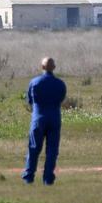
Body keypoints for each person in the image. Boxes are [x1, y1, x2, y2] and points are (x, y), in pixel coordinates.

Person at [23, 57, 67, 185]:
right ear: (54, 67)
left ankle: (28, 177)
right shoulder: (60, 83)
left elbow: (30, 100)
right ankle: (48, 178)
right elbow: (61, 98)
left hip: (38, 117)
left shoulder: (34, 82)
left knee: (34, 147)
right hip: (54, 117)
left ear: (42, 67)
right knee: (52, 150)